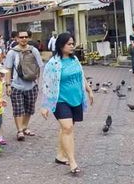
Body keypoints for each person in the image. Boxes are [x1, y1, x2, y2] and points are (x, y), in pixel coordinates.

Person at [40, 32, 94, 176]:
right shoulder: (53, 63)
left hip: (76, 99)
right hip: (60, 100)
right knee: (68, 127)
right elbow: (47, 84)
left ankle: (60, 155)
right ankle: (72, 161)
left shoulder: (75, 59)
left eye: (72, 43)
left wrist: (89, 90)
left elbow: (81, 75)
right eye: (69, 44)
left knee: (66, 129)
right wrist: (45, 105)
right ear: (61, 45)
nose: (72, 46)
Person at [4, 30, 44, 142]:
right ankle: (20, 130)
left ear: (29, 38)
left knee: (29, 109)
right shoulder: (12, 52)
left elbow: (40, 66)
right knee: (18, 109)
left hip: (31, 85)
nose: (24, 39)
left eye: (26, 37)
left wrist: (38, 82)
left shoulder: (33, 50)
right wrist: (8, 85)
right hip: (16, 85)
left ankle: (25, 127)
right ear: (16, 39)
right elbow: (8, 69)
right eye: (21, 37)